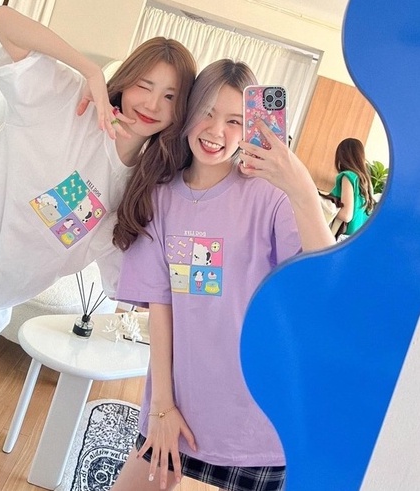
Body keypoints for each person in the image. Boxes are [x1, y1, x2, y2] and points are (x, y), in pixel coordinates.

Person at [0, 6, 196, 489]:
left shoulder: (138, 194)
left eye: (171, 96)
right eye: (145, 84)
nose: (153, 103)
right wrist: (89, 70)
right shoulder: (67, 102)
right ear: (126, 80)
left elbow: (136, 285)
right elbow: (3, 20)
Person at [112, 60, 335, 491]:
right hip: (177, 413)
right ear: (188, 111)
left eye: (235, 121)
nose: (216, 131)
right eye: (207, 112)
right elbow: (161, 309)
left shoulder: (270, 196)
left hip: (257, 424)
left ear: (250, 125)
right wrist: (161, 406)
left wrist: (301, 188)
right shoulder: (159, 199)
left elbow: (323, 280)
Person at [329, 137, 375, 235]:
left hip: (342, 236)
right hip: (358, 236)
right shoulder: (366, 181)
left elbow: (346, 215)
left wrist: (322, 209)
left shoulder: (348, 177)